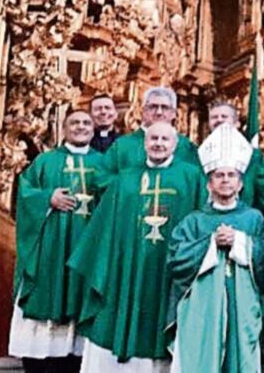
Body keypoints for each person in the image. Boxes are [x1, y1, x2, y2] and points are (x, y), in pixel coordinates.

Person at [68, 122, 205, 372]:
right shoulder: (126, 179)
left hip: (170, 266)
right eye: (153, 138)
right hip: (128, 265)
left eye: (165, 139)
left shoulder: (192, 176)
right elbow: (105, 226)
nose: (158, 143)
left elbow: (202, 220)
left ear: (175, 144)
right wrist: (108, 261)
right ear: (144, 143)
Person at [9, 110, 106, 373]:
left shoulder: (104, 164)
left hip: (88, 253)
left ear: (94, 129)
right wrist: (47, 199)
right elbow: (23, 195)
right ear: (64, 128)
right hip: (51, 252)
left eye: (86, 123)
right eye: (74, 122)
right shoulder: (45, 161)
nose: (81, 127)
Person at [167, 124, 264, 373]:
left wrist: (241, 242)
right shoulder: (194, 220)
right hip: (202, 308)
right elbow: (176, 259)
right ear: (209, 184)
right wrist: (211, 243)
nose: (225, 180)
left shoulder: (254, 218)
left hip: (244, 305)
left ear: (241, 183)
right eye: (219, 175)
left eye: (231, 175)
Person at [104, 87, 199, 172]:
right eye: (153, 107)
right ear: (143, 111)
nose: (159, 112)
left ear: (174, 113)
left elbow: (198, 183)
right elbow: (105, 179)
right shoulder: (122, 146)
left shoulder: (186, 148)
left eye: (165, 107)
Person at [206, 101, 261, 206]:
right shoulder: (201, 152)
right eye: (214, 117)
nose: (219, 120)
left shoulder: (251, 153)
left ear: (236, 123)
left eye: (224, 116)